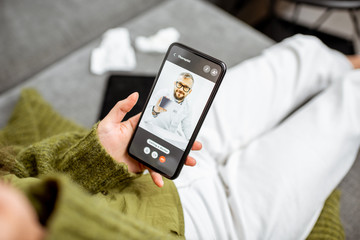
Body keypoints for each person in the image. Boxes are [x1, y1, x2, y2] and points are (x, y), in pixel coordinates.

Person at [0, 34, 359, 239]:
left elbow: (26, 169)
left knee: (301, 53)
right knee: (349, 106)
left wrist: (96, 156)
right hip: (212, 227)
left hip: (151, 168)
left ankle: (344, 62)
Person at [143, 72, 194, 140]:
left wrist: (191, 141)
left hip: (170, 138)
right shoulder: (163, 94)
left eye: (186, 87)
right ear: (175, 83)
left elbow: (187, 127)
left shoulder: (188, 107)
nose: (181, 89)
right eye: (179, 84)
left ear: (190, 91)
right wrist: (155, 110)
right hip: (154, 132)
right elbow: (145, 118)